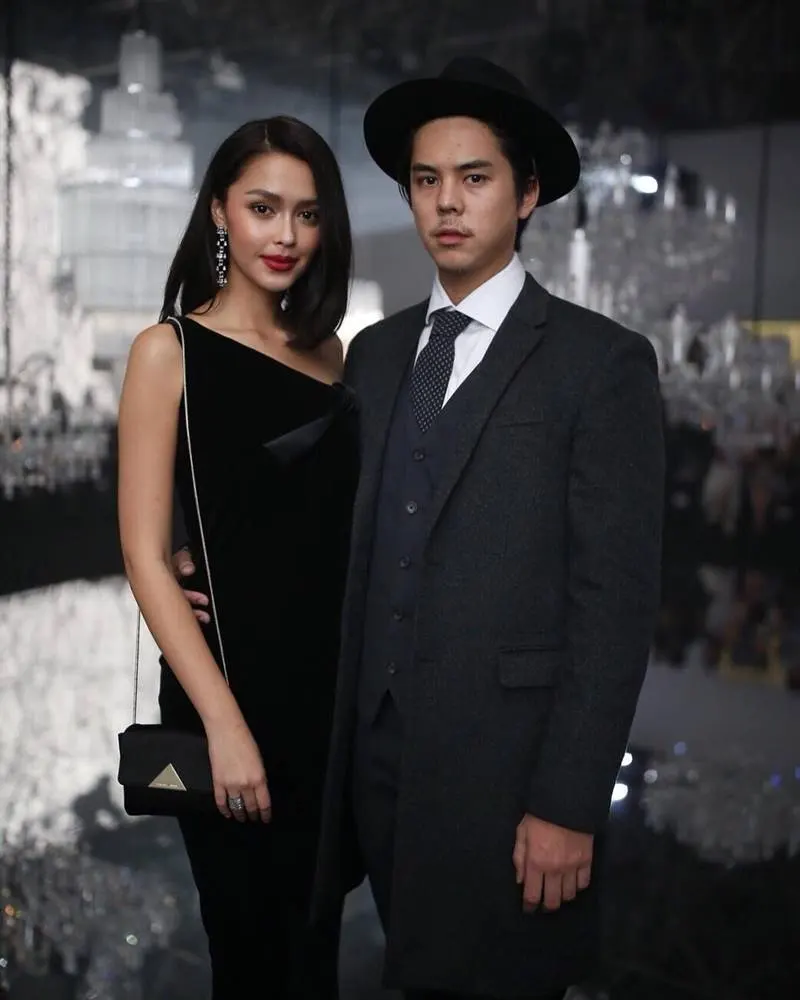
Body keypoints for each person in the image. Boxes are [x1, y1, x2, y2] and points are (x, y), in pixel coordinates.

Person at [178, 58, 664, 1000]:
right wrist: (210, 558)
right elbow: (332, 523)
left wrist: (569, 803)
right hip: (369, 764)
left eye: (475, 178)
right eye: (426, 180)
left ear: (527, 193)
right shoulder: (376, 353)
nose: (447, 202)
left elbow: (615, 606)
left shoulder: (600, 364)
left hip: (507, 772)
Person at [117, 116, 359, 999]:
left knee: (314, 956)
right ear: (220, 211)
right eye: (264, 208)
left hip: (327, 703)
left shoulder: (334, 357)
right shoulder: (167, 352)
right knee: (252, 958)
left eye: (307, 213)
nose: (286, 234)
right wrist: (224, 726)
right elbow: (145, 556)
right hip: (227, 695)